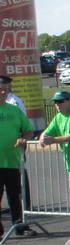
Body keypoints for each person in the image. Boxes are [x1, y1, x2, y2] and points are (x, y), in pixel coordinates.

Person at [0, 76, 34, 236]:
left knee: (15, 196)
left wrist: (24, 138)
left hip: (12, 161)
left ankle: (19, 227)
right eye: (0, 89)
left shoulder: (14, 110)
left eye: (5, 89)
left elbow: (28, 129)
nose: (3, 92)